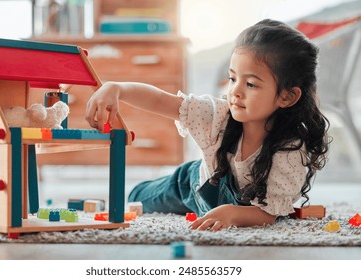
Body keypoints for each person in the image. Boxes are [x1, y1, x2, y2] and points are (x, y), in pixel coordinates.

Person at [85, 19, 330, 231]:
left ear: (287, 96)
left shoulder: (290, 150)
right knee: (137, 198)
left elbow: (269, 214)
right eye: (233, 78)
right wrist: (117, 88)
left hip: (229, 201)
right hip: (191, 184)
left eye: (251, 84)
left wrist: (231, 213)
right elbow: (162, 101)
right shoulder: (217, 115)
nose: (235, 92)